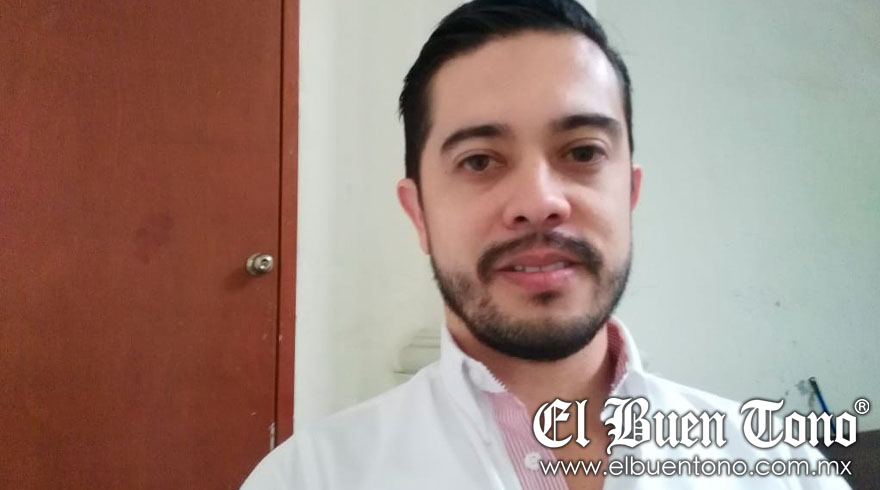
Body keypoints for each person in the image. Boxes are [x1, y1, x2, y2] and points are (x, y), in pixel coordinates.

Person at [242, 1, 851, 488]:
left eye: (582, 152)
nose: (539, 201)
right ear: (418, 213)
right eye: (479, 160)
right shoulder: (308, 478)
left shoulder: (785, 469)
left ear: (629, 193)